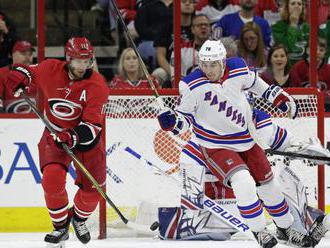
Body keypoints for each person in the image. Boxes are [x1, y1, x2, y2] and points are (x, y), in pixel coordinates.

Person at [157, 39, 313, 247]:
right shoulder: (191, 85)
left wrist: (277, 98)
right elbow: (184, 122)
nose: (208, 69)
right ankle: (259, 231)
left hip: (248, 140)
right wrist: (173, 122)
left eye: (213, 64)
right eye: (204, 64)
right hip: (215, 146)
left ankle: (286, 227)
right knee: (244, 183)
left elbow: (258, 85)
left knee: (269, 187)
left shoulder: (238, 68)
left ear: (223, 62)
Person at [158, 107, 330, 246]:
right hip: (220, 208)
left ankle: (294, 227)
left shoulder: (256, 120)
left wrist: (315, 153)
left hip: (247, 203)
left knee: (280, 176)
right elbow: (192, 201)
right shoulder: (196, 148)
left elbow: (290, 144)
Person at [4, 37, 109, 246]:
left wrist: (72, 137)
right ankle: (61, 227)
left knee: (93, 192)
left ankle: (78, 219)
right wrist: (19, 76)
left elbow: (93, 126)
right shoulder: (50, 68)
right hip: (55, 133)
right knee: (51, 179)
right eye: (78, 60)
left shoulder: (97, 85)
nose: (82, 66)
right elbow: (27, 70)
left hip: (86, 140)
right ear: (68, 58)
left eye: (86, 60)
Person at [290, 37, 330, 111]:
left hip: (325, 107)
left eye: (321, 50)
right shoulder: (298, 67)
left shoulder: (328, 69)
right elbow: (294, 89)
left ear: (325, 53)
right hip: (303, 107)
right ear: (308, 50)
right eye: (315, 49)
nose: (318, 52)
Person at [0, 40, 35, 113]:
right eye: (23, 53)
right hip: (11, 122)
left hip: (36, 121)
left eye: (30, 54)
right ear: (12, 55)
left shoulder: (38, 73)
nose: (27, 57)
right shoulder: (2, 73)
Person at [271, 0, 309, 66]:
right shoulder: (277, 27)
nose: (296, 6)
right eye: (293, 3)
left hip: (304, 67)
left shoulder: (307, 27)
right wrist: (293, 25)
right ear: (287, 7)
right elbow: (290, 48)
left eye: (299, 4)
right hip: (285, 67)